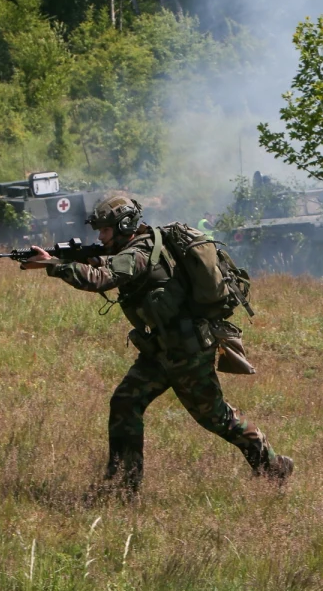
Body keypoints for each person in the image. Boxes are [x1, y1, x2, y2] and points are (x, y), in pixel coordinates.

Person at [21, 193, 293, 492]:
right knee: (126, 402)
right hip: (161, 349)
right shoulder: (143, 244)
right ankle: (123, 486)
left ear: (125, 225)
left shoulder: (139, 251)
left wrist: (53, 265)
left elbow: (101, 279)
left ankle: (273, 465)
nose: (100, 237)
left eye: (105, 230)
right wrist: (80, 258)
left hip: (186, 351)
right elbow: (113, 265)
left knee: (215, 417)